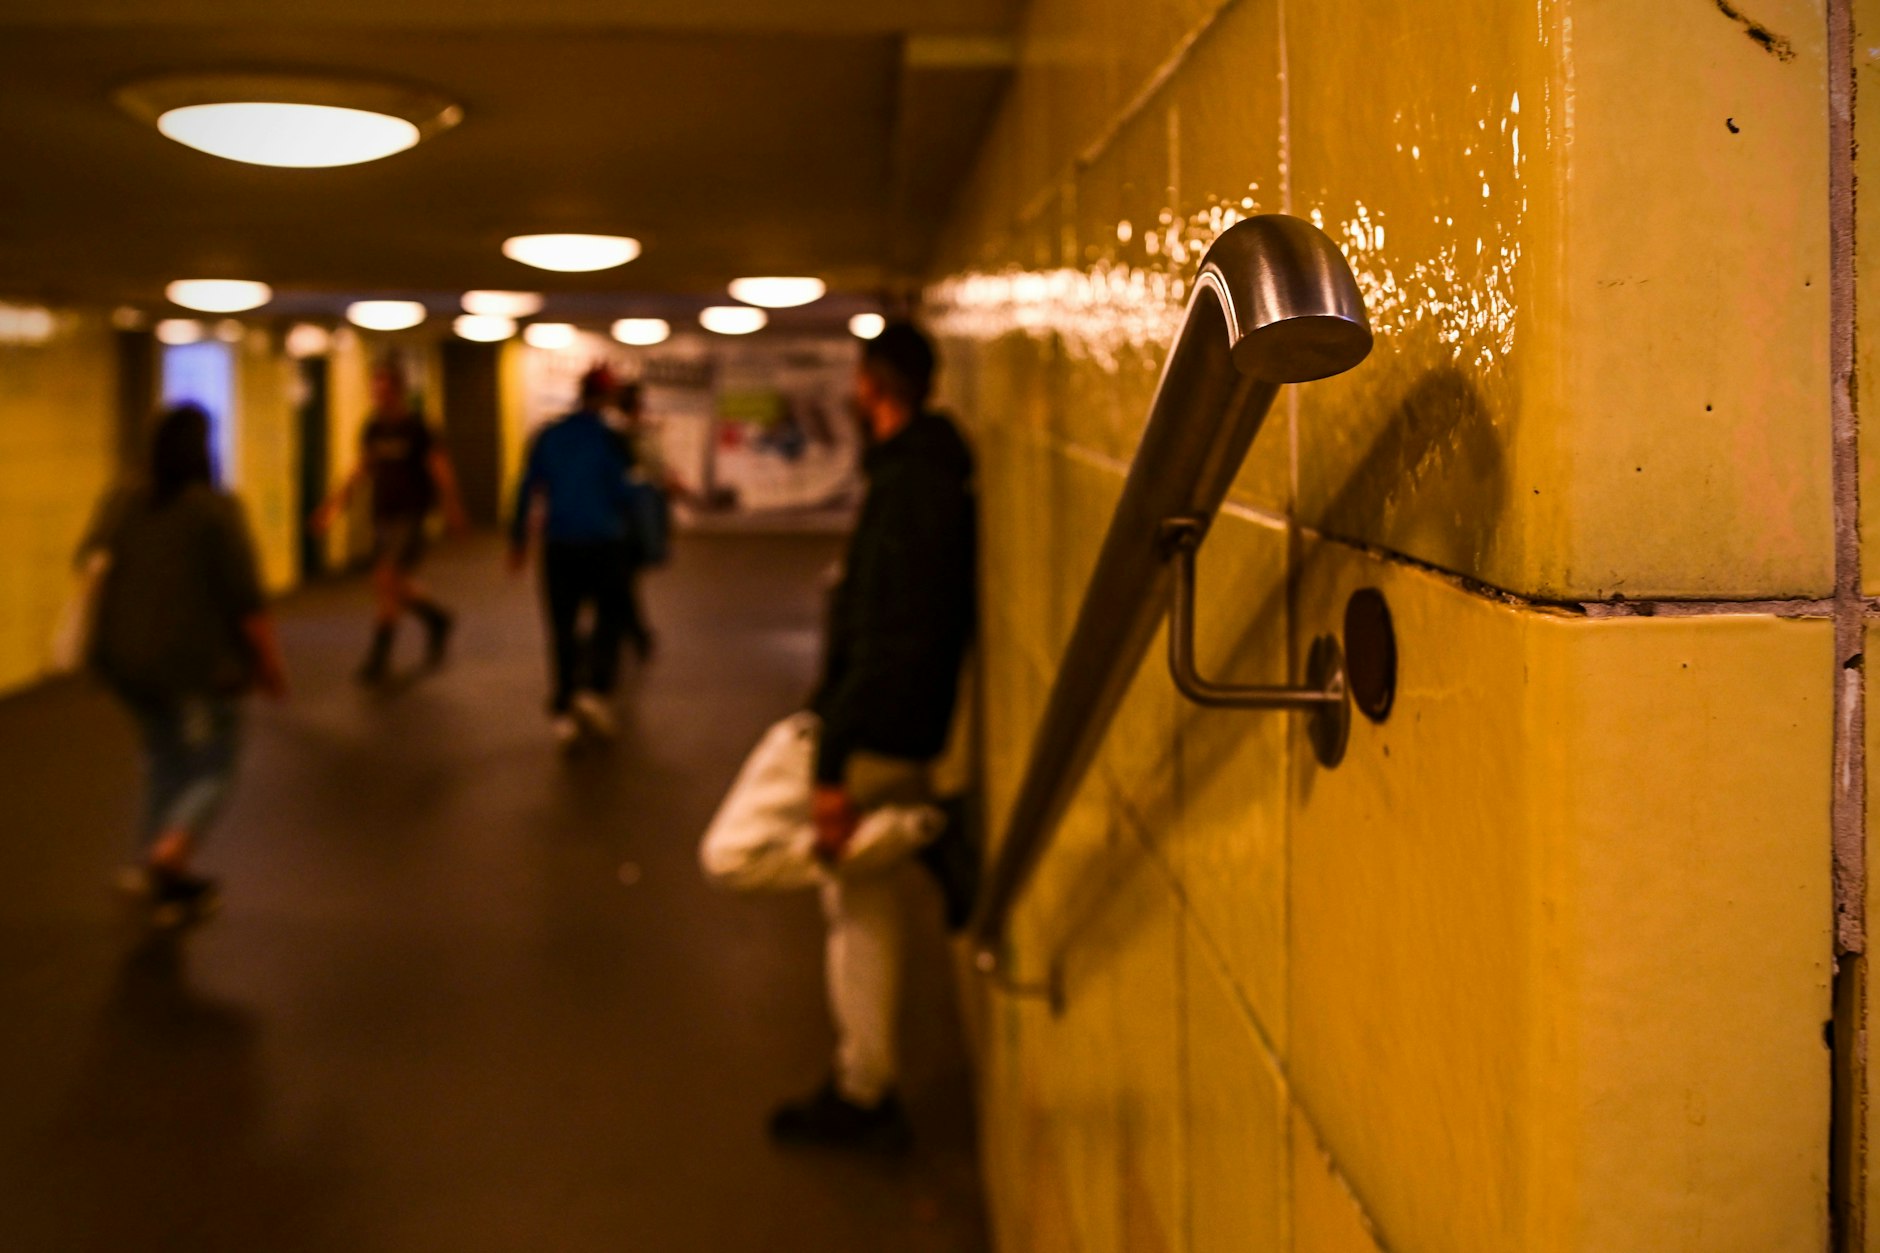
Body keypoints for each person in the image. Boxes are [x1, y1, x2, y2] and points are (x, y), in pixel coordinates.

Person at [698, 322, 980, 1151]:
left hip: (861, 730)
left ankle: (925, 832)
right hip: (904, 725)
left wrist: (830, 767)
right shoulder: (924, 475)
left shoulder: (909, 489)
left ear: (871, 384)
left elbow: (888, 633)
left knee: (733, 854)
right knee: (860, 907)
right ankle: (866, 1084)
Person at [79, 403, 288, 927]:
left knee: (164, 761)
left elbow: (87, 560)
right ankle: (169, 852)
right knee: (213, 765)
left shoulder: (121, 501)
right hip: (195, 666)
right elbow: (246, 601)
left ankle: (158, 879)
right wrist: (269, 665)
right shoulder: (214, 510)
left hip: (125, 662)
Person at [312, 358, 468, 684]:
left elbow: (439, 469)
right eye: (375, 390)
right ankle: (437, 619)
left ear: (399, 392)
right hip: (382, 515)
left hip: (411, 515)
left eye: (384, 391)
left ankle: (378, 658)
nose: (378, 397)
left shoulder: (418, 428)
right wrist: (331, 507)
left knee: (384, 579)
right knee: (395, 584)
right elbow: (360, 471)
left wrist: (452, 508)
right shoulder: (373, 428)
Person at [509, 366, 639, 750]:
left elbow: (527, 486)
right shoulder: (612, 438)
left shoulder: (549, 435)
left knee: (562, 625)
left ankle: (565, 704)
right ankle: (595, 690)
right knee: (609, 619)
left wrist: (518, 540)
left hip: (560, 545)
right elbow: (625, 493)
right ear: (608, 397)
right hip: (604, 543)